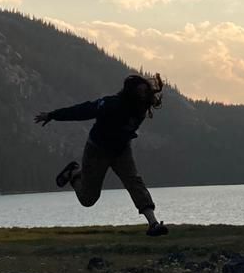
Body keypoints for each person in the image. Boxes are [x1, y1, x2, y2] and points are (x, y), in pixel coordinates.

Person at [37, 72, 169, 235]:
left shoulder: (143, 105)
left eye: (146, 92)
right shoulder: (110, 104)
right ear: (131, 94)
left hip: (121, 150)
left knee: (134, 182)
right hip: (97, 150)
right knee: (88, 199)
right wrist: (53, 115)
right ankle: (74, 174)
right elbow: (83, 110)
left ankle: (153, 224)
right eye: (141, 92)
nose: (145, 95)